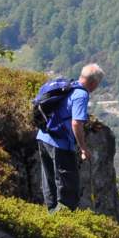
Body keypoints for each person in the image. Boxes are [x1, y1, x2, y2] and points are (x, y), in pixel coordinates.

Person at [36, 63, 103, 210]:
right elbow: (76, 124)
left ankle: (51, 212)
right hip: (60, 142)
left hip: (43, 136)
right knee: (68, 184)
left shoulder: (69, 87)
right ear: (93, 83)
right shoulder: (81, 95)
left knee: (49, 179)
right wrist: (83, 148)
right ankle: (66, 217)